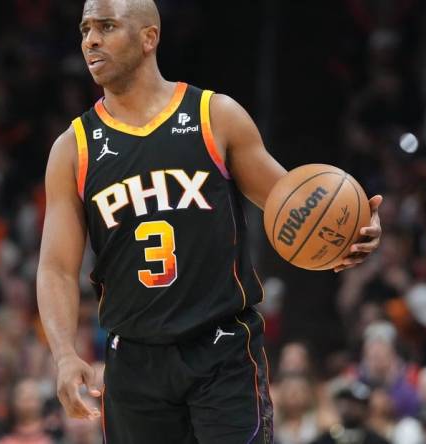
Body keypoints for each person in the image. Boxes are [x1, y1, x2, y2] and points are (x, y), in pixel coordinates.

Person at [36, 0, 383, 442]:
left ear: (149, 38)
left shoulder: (213, 116)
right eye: (85, 29)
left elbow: (293, 206)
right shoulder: (73, 148)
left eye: (106, 26)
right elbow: (56, 269)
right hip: (134, 359)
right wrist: (65, 355)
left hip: (221, 349)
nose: (91, 40)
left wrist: (350, 233)